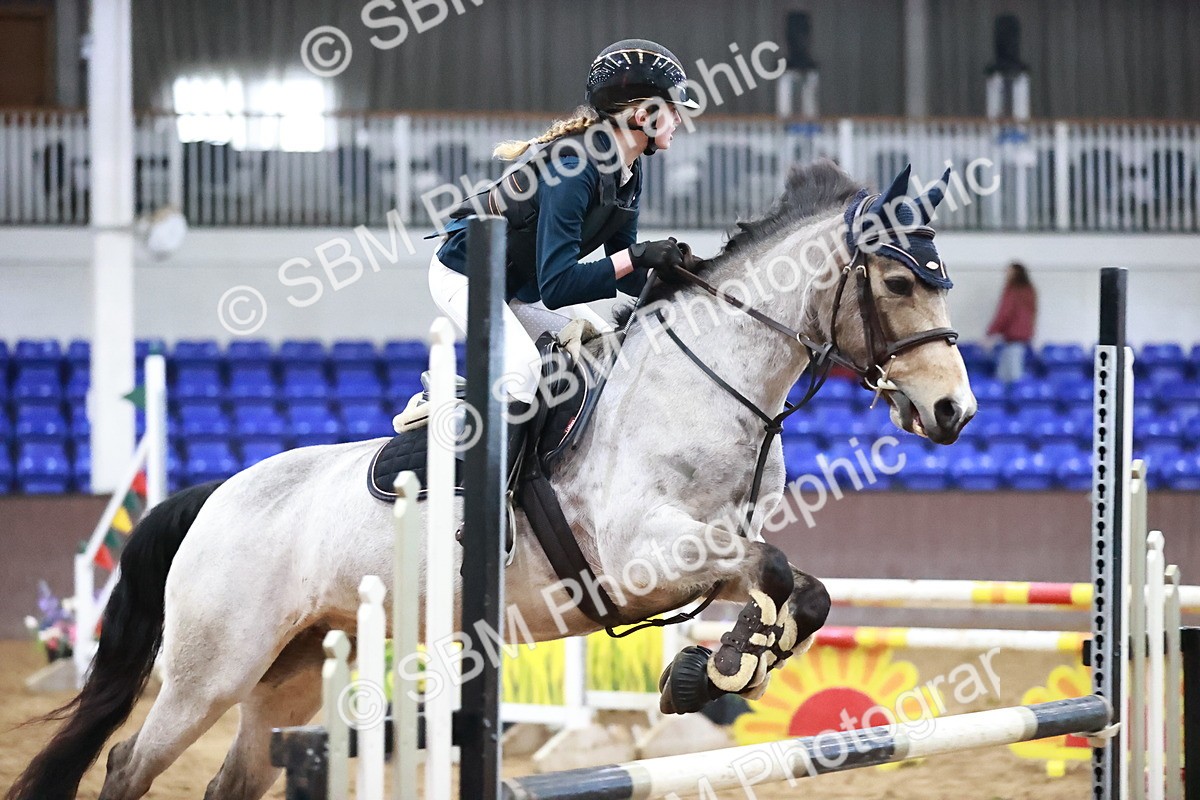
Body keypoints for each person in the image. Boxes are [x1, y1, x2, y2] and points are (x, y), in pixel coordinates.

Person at [428, 38, 699, 404]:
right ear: (643, 116)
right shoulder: (574, 171)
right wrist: (636, 256)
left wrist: (687, 278)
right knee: (525, 372)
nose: (679, 119)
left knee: (612, 357)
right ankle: (447, 407)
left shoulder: (629, 170)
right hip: (467, 274)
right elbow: (558, 287)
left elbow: (630, 273)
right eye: (672, 110)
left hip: (524, 283)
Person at [987, 261, 1037, 383]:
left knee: (1009, 376)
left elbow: (1005, 313)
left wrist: (991, 332)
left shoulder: (1013, 291)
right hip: (1023, 339)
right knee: (1013, 374)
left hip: (1013, 338)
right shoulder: (1030, 291)